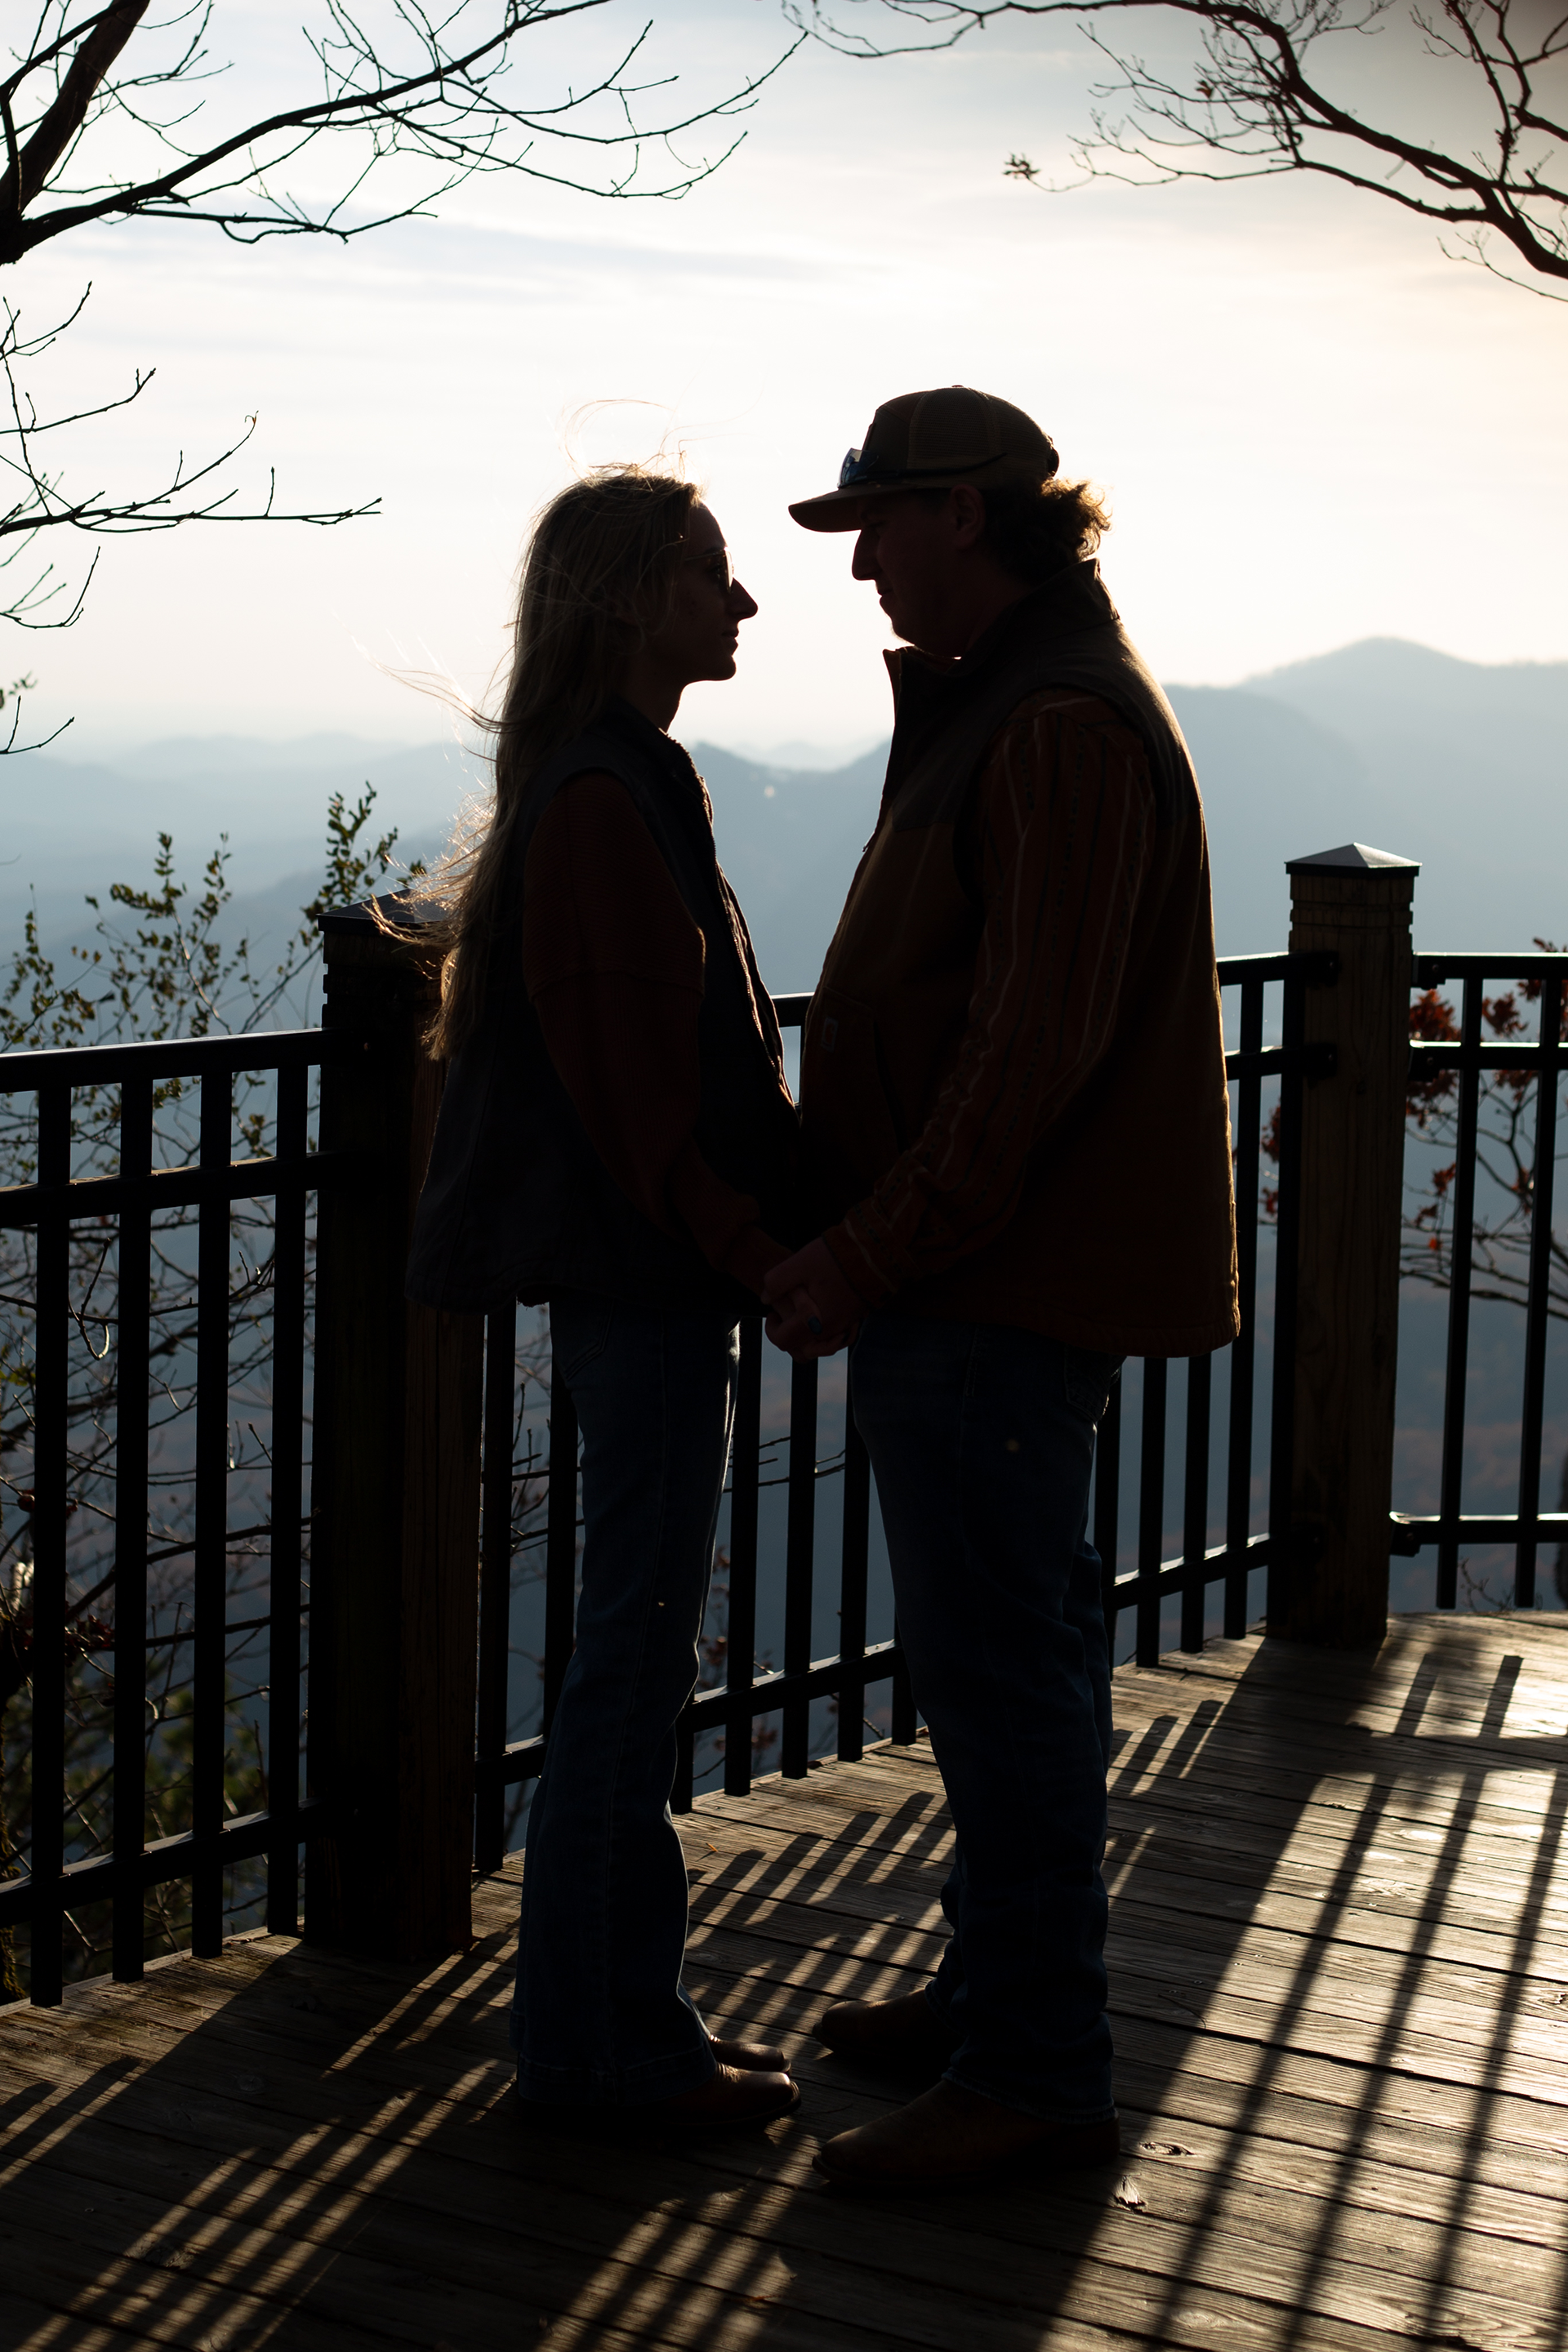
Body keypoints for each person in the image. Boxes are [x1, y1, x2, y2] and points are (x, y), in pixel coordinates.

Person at [764, 386, 1239, 2189]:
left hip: (985, 1292)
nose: (865, 564)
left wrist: (866, 1249)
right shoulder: (1026, 702)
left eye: (878, 525)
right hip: (984, 1285)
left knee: (1006, 1689)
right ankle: (990, 2003)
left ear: (966, 512)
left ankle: (1035, 2071)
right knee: (1012, 1666)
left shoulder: (1048, 725)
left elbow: (1024, 1050)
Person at [405, 466, 801, 2131]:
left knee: (633, 1664)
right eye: (713, 575)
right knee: (626, 1673)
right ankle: (588, 2053)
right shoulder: (603, 804)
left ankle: (627, 2026)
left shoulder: (620, 783)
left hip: (656, 1291)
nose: (745, 602)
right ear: (631, 597)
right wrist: (775, 1251)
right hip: (653, 1295)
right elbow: (646, 1107)